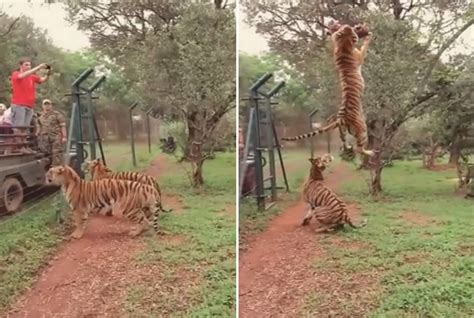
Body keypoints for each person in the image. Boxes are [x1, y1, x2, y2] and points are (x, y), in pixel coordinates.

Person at [10, 57, 50, 153]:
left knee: (25, 128)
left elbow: (42, 80)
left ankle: (25, 146)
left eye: (29, 65)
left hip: (29, 106)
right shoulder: (16, 74)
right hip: (19, 105)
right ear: (21, 66)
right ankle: (20, 147)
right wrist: (38, 67)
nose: (28, 66)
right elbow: (21, 76)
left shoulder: (31, 77)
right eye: (26, 65)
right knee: (19, 127)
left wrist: (48, 73)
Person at [37, 99, 67, 166]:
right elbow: (39, 127)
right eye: (45, 104)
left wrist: (64, 136)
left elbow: (62, 125)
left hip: (56, 137)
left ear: (51, 105)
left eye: (48, 104)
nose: (47, 106)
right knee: (46, 154)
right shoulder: (40, 116)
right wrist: (37, 134)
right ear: (42, 106)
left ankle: (56, 169)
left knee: (56, 153)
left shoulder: (56, 114)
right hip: (45, 138)